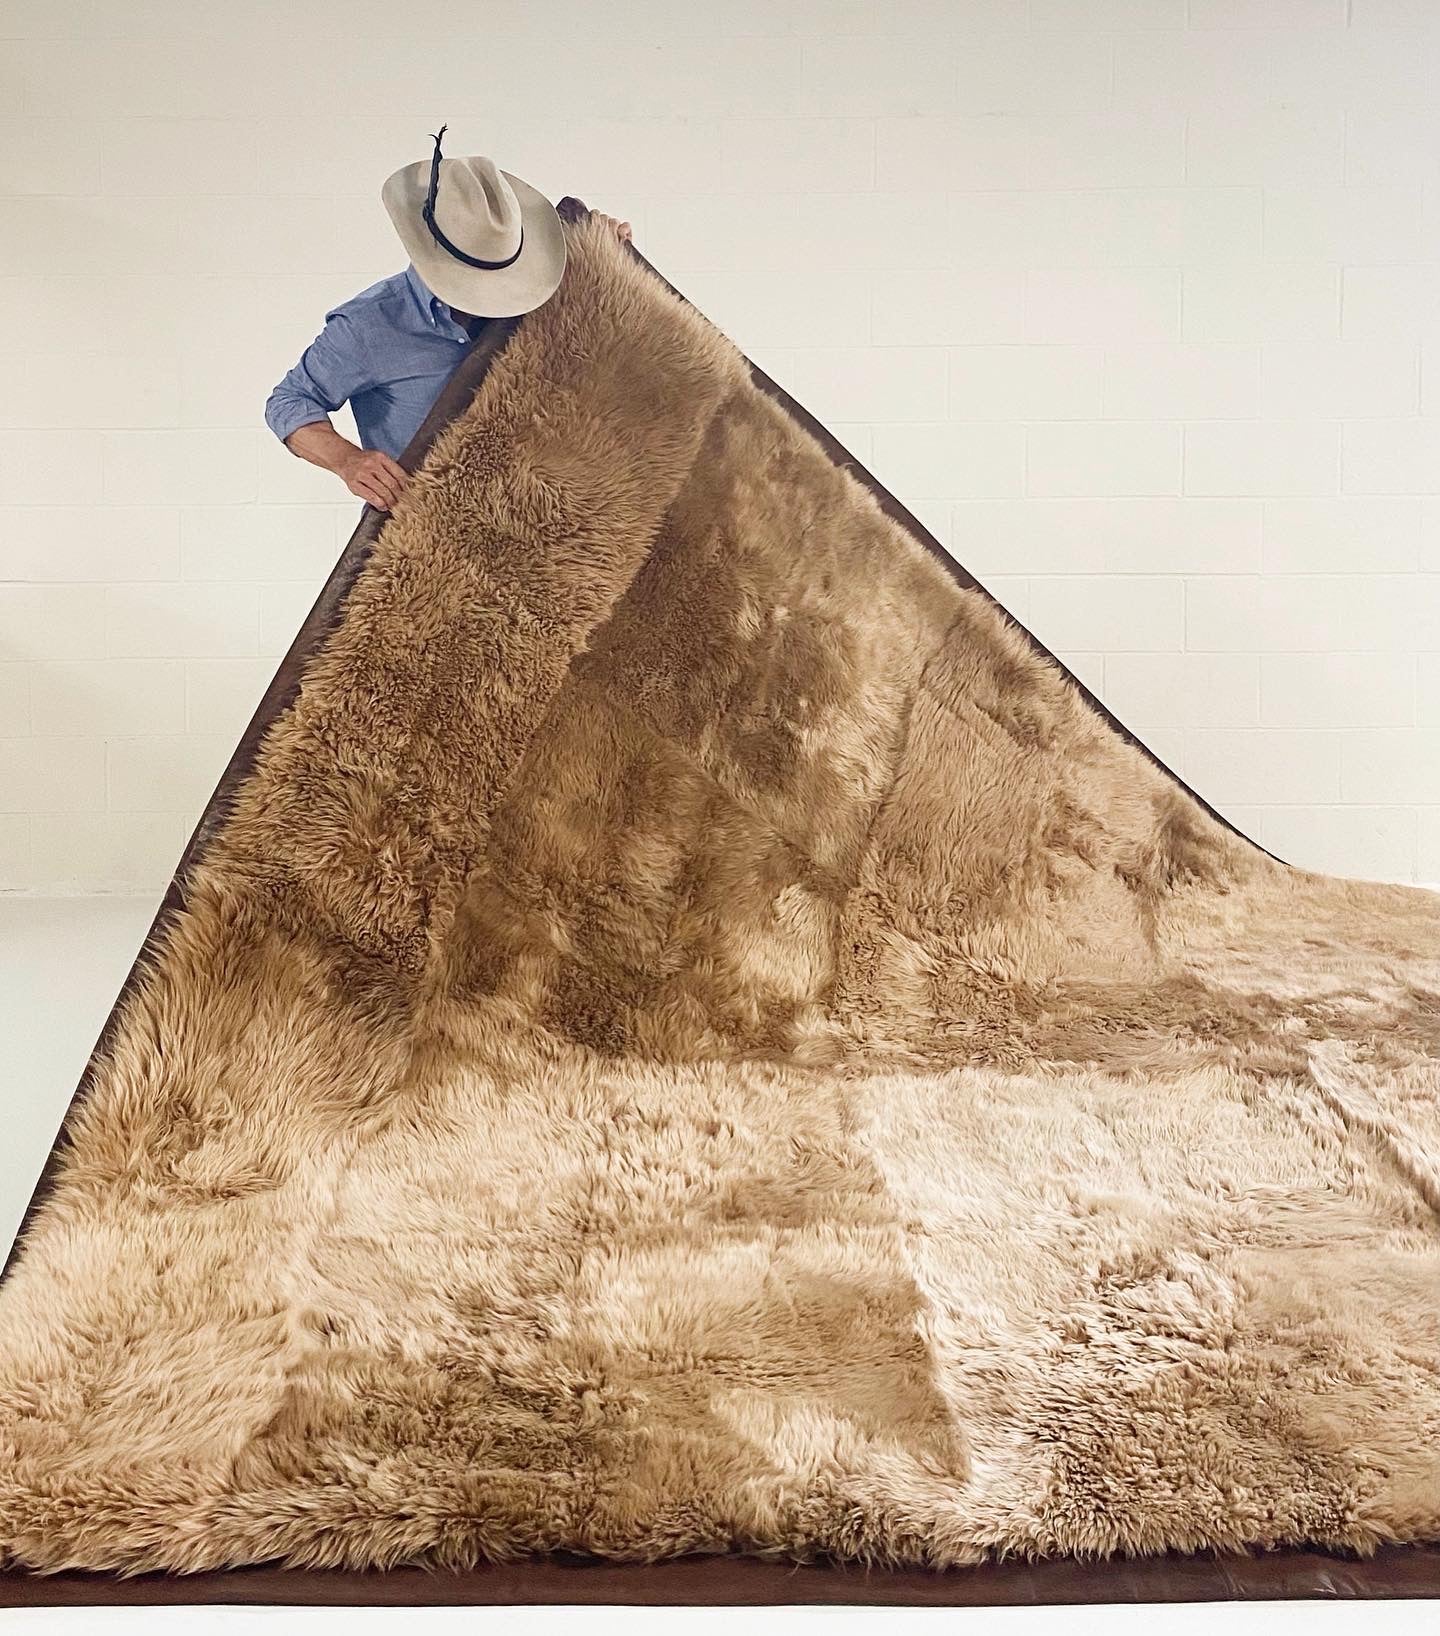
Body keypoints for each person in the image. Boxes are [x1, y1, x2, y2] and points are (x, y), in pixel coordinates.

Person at [265, 129, 630, 511]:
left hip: (542, 522)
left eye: (500, 276)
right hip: (431, 537)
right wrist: (348, 461)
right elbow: (288, 401)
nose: (492, 297)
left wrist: (612, 259)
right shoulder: (369, 326)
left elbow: (609, 350)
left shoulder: (542, 290)